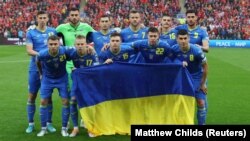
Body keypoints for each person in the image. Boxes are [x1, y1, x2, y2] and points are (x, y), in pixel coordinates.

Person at [56, 7, 94, 135]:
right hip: (69, 66)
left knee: (85, 95)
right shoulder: (61, 28)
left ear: (79, 16)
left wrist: (90, 47)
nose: (74, 17)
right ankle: (69, 122)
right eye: (72, 15)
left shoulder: (86, 27)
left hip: (84, 67)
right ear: (68, 16)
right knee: (70, 96)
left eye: (76, 15)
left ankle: (85, 120)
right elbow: (52, 38)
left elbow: (96, 38)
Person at [25, 10, 57, 134]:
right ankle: (31, 124)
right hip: (34, 68)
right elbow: (29, 50)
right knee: (32, 96)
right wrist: (43, 54)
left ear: (48, 18)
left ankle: (49, 123)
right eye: (40, 17)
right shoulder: (31, 32)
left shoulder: (52, 31)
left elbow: (57, 47)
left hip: (49, 69)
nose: (42, 19)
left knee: (48, 97)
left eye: (44, 17)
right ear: (37, 19)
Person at [172, 29, 208, 125]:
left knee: (201, 102)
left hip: (197, 77)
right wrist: (179, 63)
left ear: (189, 38)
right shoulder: (174, 50)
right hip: (182, 79)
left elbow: (205, 67)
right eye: (181, 38)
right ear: (177, 39)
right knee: (181, 103)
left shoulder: (196, 51)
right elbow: (169, 60)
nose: (183, 41)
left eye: (185, 38)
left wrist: (203, 83)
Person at [36, 35, 70, 137]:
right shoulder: (42, 54)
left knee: (65, 101)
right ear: (47, 45)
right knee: (43, 101)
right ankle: (43, 128)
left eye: (55, 44)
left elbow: (76, 52)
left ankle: (64, 129)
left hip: (62, 78)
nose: (53, 46)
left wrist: (89, 48)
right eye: (51, 44)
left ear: (59, 44)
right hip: (48, 79)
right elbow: (37, 61)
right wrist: (41, 73)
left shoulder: (64, 51)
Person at [66, 34, 99, 137]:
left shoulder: (92, 53)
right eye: (78, 44)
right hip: (77, 81)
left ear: (86, 44)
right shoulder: (72, 53)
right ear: (75, 45)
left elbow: (96, 69)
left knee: (89, 103)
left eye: (82, 44)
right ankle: (75, 128)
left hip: (89, 82)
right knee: (73, 101)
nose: (80, 46)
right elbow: (61, 50)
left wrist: (81, 71)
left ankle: (90, 127)